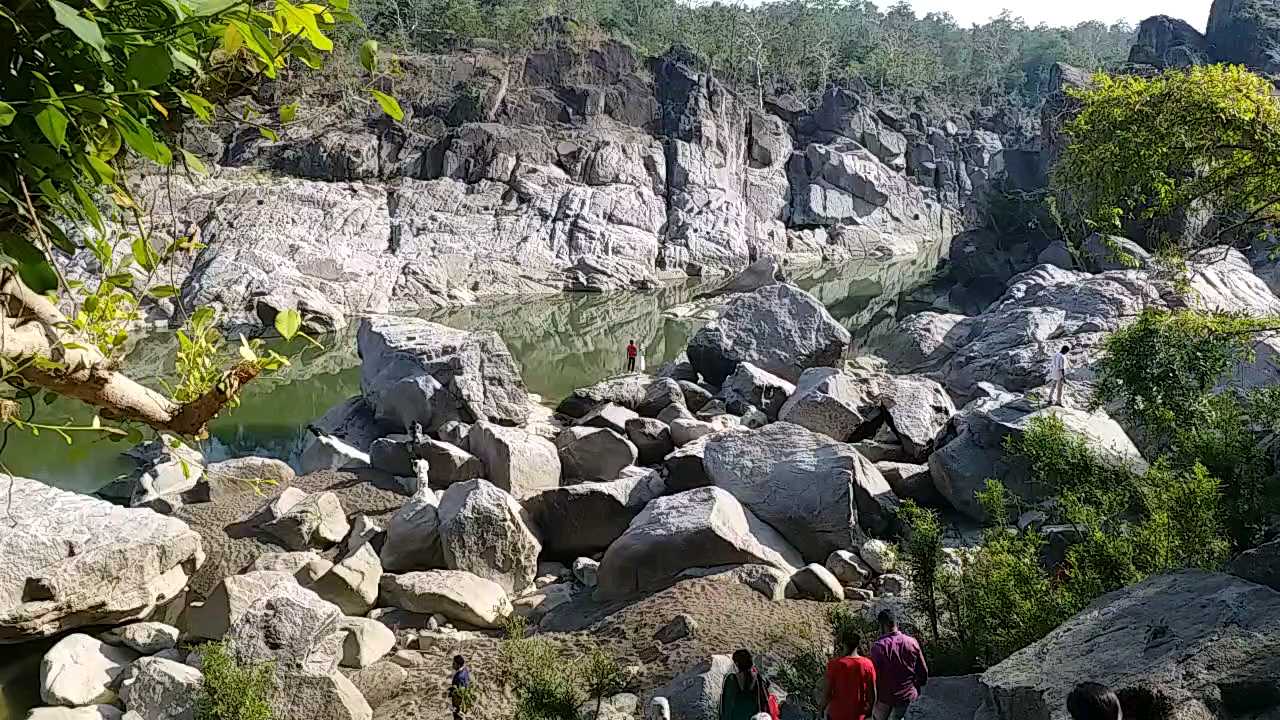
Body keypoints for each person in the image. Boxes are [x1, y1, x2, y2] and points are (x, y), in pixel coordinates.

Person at [868, 610, 928, 720]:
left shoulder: (878, 648)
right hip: (909, 698)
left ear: (882, 626)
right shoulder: (912, 642)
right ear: (897, 624)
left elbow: (872, 679)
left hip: (886, 700)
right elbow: (923, 673)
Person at [823, 625, 876, 720]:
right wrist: (870, 711)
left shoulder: (834, 664)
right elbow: (872, 694)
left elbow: (828, 693)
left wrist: (821, 709)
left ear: (843, 643)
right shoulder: (868, 664)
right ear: (858, 643)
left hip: (837, 714)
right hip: (858, 715)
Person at [720, 649, 773, 720]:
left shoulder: (732, 679)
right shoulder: (758, 678)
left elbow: (727, 705)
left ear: (737, 663)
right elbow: (765, 699)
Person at [449, 654, 471, 720]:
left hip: (458, 702)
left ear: (458, 665)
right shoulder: (465, 670)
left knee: (457, 717)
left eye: (454, 663)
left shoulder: (459, 676)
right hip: (462, 702)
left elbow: (460, 691)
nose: (452, 665)